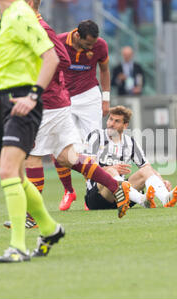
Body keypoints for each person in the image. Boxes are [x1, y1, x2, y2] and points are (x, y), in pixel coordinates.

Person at [0, 0, 132, 230]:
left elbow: (60, 60)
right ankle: (116, 186)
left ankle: (32, 216)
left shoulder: (41, 27)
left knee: (32, 157)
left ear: (29, 3)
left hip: (49, 103)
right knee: (68, 158)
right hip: (58, 102)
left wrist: (40, 89)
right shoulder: (28, 23)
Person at [0, 0, 64, 263]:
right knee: (17, 175)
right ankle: (51, 230)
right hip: (6, 99)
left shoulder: (20, 13)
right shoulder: (7, 15)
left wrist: (33, 96)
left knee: (7, 171)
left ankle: (17, 247)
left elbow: (50, 57)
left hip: (22, 99)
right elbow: (16, 54)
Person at [53, 20, 112, 211]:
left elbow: (104, 70)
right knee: (62, 148)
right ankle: (69, 190)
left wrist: (106, 98)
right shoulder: (59, 41)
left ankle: (91, 194)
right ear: (77, 36)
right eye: (88, 44)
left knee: (93, 145)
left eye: (93, 44)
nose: (91, 48)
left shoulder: (100, 45)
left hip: (89, 96)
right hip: (64, 98)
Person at [84, 106, 177, 211]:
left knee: (145, 170)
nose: (111, 124)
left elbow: (147, 168)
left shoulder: (130, 142)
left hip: (121, 196)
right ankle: (141, 199)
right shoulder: (96, 136)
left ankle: (165, 198)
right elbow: (87, 170)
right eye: (110, 119)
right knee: (111, 170)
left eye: (117, 121)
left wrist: (161, 181)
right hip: (97, 197)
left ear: (125, 125)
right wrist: (110, 169)